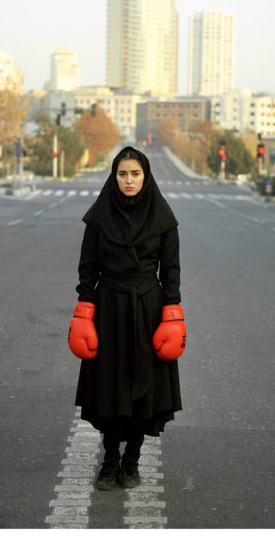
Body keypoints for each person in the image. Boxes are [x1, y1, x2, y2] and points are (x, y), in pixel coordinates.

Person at [68, 146, 186, 491]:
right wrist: (84, 310)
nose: (129, 180)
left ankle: (131, 461)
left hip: (148, 309)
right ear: (114, 177)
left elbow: (171, 272)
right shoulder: (99, 218)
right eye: (122, 174)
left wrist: (172, 314)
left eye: (135, 174)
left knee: (143, 389)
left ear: (145, 177)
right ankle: (109, 462)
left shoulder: (163, 218)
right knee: (110, 386)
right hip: (109, 309)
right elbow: (88, 268)